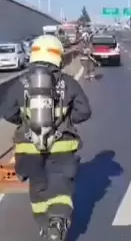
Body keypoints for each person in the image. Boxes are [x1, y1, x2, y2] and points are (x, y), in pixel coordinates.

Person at [3, 35, 92, 240]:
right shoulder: (67, 82)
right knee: (61, 188)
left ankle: (45, 226)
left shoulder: (20, 82)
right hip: (62, 146)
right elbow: (84, 111)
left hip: (28, 148)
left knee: (38, 187)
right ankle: (57, 224)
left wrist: (25, 122)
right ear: (58, 56)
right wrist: (66, 120)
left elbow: (8, 112)